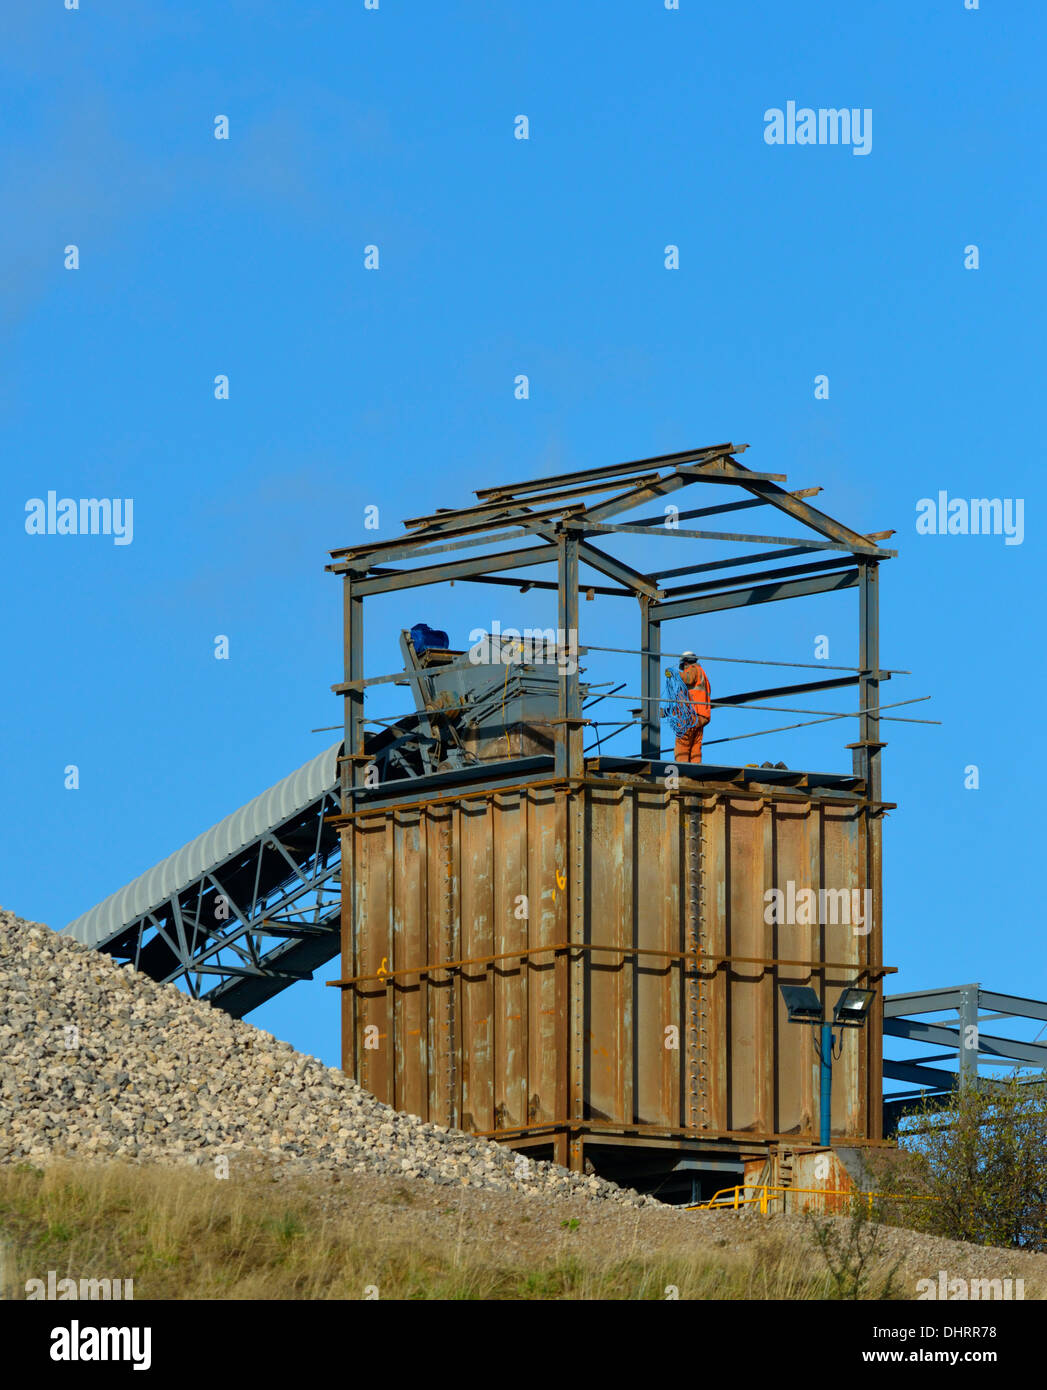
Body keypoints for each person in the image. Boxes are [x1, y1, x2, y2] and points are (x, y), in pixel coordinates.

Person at [675, 651, 711, 764]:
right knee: (696, 743)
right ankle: (696, 767)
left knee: (683, 742)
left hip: (691, 714)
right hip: (702, 715)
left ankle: (682, 769)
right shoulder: (703, 675)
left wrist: (675, 674)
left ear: (685, 663)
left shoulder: (693, 669)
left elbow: (688, 678)